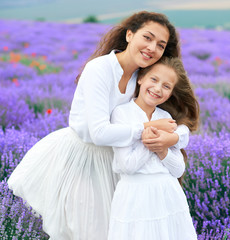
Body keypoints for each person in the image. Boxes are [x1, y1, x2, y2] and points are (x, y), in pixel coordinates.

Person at [7, 11, 190, 240]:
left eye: (161, 45)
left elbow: (174, 121)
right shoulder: (100, 69)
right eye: (148, 37)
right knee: (88, 232)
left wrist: (173, 138)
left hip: (116, 162)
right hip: (83, 159)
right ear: (130, 35)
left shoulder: (145, 78)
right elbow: (99, 132)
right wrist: (145, 129)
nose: (152, 48)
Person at [108, 56, 199, 240]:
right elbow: (127, 166)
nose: (157, 88)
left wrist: (163, 149)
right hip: (135, 195)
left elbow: (178, 169)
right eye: (154, 79)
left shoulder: (166, 117)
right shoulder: (122, 114)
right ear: (141, 78)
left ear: (171, 93)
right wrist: (150, 142)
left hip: (167, 194)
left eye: (166, 86)